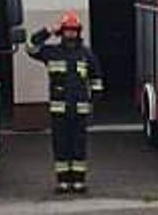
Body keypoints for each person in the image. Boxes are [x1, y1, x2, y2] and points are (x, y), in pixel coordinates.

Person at [25, 12, 102, 194]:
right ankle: (63, 182)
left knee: (78, 146)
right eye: (67, 30)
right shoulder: (51, 53)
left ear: (78, 32)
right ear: (62, 32)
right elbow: (31, 47)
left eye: (73, 30)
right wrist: (49, 31)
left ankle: (79, 182)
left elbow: (96, 79)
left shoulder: (86, 54)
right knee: (60, 146)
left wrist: (93, 100)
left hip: (80, 110)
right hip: (59, 110)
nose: (70, 33)